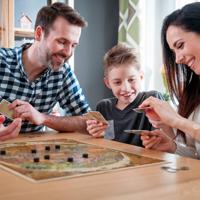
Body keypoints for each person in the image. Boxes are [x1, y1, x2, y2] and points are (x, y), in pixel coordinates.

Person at [0, 2, 91, 140]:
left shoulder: (63, 73)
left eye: (73, 45)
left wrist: (42, 118)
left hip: (34, 156)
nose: (68, 52)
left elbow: (87, 121)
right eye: (62, 42)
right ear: (38, 34)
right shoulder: (2, 61)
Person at [140, 2, 200, 159]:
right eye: (174, 52)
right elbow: (196, 154)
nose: (178, 59)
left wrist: (176, 120)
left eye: (180, 45)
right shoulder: (193, 93)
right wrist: (173, 147)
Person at [86, 43, 163, 146]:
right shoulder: (104, 107)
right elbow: (109, 143)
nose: (126, 88)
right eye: (117, 82)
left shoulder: (152, 100)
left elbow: (163, 140)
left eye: (131, 80)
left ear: (141, 77)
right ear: (108, 83)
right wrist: (99, 134)